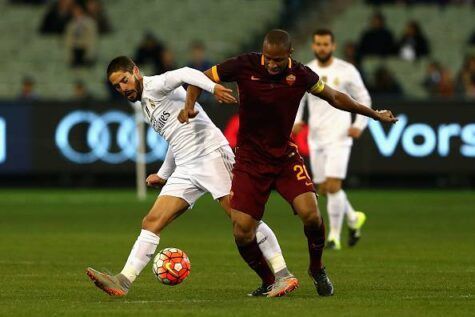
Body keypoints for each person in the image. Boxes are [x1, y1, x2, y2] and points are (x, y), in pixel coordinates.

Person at [183, 29, 397, 297]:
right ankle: (269, 280)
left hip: (284, 156)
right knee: (242, 231)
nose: (272, 65)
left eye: (278, 60)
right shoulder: (244, 64)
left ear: (290, 55)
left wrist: (372, 114)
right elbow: (197, 78)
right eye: (268, 59)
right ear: (263, 53)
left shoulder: (301, 75)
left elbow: (335, 97)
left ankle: (317, 268)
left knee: (311, 214)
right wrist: (190, 104)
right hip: (250, 160)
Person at [86, 56, 295, 297]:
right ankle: (123, 281)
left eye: (124, 80)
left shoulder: (157, 84)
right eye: (117, 86)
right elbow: (175, 139)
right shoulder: (143, 105)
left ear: (135, 71)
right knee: (151, 222)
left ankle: (283, 275)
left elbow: (186, 73)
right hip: (186, 167)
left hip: (211, 155)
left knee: (243, 220)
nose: (123, 88)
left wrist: (213, 87)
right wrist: (164, 174)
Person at [293, 29, 371, 251]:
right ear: (313, 46)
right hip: (316, 137)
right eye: (318, 44)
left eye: (326, 44)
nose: (322, 48)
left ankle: (334, 237)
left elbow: (363, 97)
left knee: (334, 185)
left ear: (333, 46)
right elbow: (298, 99)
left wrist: (358, 124)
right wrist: (297, 121)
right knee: (324, 188)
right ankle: (354, 218)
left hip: (340, 135)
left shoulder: (346, 70)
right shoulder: (308, 70)